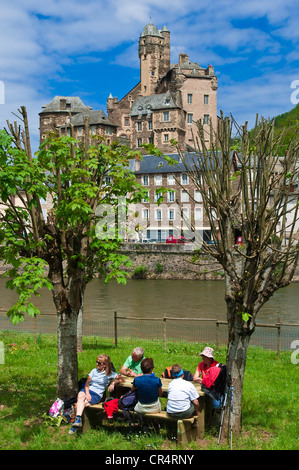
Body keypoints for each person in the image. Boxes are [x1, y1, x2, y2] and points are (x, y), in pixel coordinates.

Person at [69, 354, 123, 435]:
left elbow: (122, 379)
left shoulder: (110, 374)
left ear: (105, 365)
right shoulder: (94, 371)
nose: (97, 364)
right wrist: (87, 393)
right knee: (80, 396)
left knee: (82, 404)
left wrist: (114, 383)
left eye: (99, 363)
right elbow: (87, 383)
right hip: (88, 390)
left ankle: (77, 423)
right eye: (96, 362)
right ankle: (78, 419)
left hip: (97, 394)